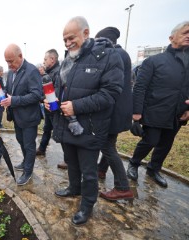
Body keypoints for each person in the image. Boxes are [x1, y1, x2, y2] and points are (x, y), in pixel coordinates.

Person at [48, 16, 124, 225]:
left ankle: (87, 205)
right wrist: (52, 103)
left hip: (89, 128)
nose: (67, 43)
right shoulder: (69, 59)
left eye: (71, 38)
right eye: (64, 40)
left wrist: (76, 106)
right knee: (71, 162)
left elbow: (111, 94)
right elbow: (60, 88)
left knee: (89, 172)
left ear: (86, 33)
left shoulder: (108, 57)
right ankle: (74, 188)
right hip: (66, 124)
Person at [126, 21, 189, 188]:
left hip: (177, 113)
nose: (188, 36)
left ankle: (154, 169)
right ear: (172, 37)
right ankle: (134, 163)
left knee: (166, 144)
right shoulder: (154, 61)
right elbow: (140, 87)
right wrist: (136, 114)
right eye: (185, 32)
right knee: (150, 141)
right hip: (154, 111)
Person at [94, 27, 134, 201]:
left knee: (107, 146)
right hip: (123, 109)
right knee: (110, 143)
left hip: (113, 110)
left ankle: (122, 187)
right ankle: (101, 170)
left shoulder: (113, 55)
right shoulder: (124, 54)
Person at [0, 43, 42, 186]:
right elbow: (9, 90)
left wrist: (13, 100)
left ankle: (28, 172)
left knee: (29, 145)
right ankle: (25, 161)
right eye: (7, 61)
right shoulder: (10, 72)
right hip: (17, 116)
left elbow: (36, 95)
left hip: (29, 117)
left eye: (11, 61)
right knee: (21, 141)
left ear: (20, 56)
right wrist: (2, 96)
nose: (9, 65)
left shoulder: (32, 71)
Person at [36, 49, 67, 169]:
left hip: (55, 109)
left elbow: (55, 92)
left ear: (52, 59)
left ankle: (68, 160)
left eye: (45, 59)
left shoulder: (58, 73)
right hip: (49, 108)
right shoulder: (49, 73)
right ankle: (42, 148)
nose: (43, 61)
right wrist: (43, 99)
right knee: (46, 129)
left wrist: (45, 99)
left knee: (60, 134)